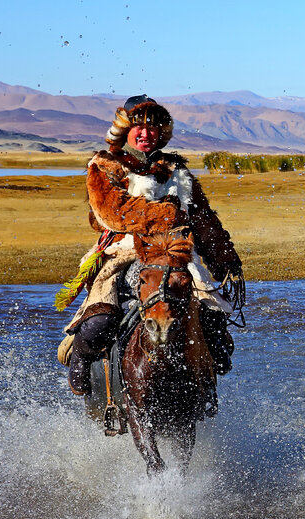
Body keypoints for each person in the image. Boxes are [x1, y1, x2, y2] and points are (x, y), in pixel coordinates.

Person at [58, 95, 243, 396]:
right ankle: (80, 356)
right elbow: (112, 211)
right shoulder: (105, 165)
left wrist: (226, 259)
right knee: (102, 315)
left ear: (162, 133)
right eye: (139, 127)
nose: (146, 134)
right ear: (125, 130)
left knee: (212, 314)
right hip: (124, 249)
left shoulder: (176, 171)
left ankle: (203, 379)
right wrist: (167, 213)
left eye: (153, 128)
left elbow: (203, 218)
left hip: (176, 252)